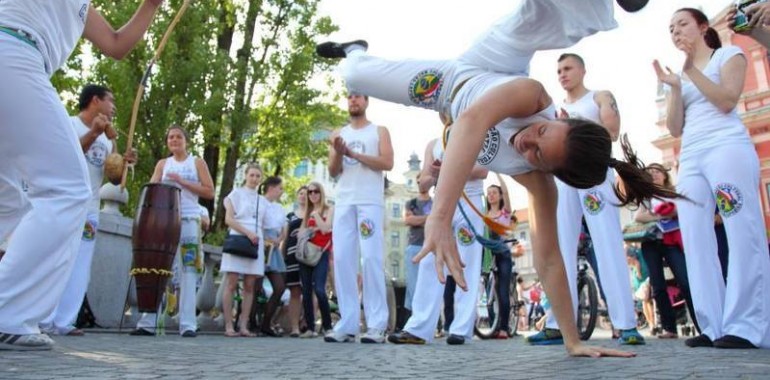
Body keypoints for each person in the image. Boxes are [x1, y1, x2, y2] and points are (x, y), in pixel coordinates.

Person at [317, 0, 677, 357]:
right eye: (540, 131)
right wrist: (439, 218)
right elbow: (472, 122)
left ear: (550, 171)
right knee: (537, 12)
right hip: (489, 63)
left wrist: (573, 340)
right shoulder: (533, 96)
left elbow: (550, 260)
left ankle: (354, 51)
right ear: (560, 118)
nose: (526, 141)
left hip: (443, 91)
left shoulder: (539, 184)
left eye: (537, 155)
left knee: (353, 75)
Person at [0, 0, 165, 350]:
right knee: (68, 188)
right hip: (14, 52)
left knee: (10, 200)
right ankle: (8, 314)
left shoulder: (79, 7)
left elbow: (116, 45)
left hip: (18, 65)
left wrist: (151, 6)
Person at [654, 8, 770, 349]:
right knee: (694, 234)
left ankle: (748, 324)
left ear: (703, 27)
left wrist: (692, 71)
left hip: (726, 147)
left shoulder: (728, 55)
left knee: (740, 227)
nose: (676, 31)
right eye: (671, 27)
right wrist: (676, 85)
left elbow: (726, 100)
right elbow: (675, 128)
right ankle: (712, 324)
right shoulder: (682, 74)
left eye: (682, 24)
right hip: (691, 155)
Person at [529, 53, 644, 346]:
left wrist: (574, 128)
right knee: (559, 247)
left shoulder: (599, 97)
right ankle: (557, 324)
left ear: (582, 69)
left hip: (593, 175)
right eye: (558, 70)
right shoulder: (553, 109)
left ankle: (626, 325)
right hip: (562, 180)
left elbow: (612, 132)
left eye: (567, 68)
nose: (562, 74)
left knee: (607, 244)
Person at [41, 84, 136, 337]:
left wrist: (122, 165)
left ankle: (65, 321)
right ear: (95, 101)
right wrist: (93, 134)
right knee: (55, 258)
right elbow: (66, 158)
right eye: (110, 100)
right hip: (63, 201)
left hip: (90, 206)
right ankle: (41, 318)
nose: (114, 106)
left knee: (80, 264)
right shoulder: (69, 124)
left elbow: (113, 180)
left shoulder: (108, 138)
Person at [388, 138, 488, 346]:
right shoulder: (434, 144)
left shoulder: (477, 130)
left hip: (469, 198)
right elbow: (423, 181)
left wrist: (448, 170)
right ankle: (418, 328)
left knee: (466, 261)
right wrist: (433, 173)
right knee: (429, 261)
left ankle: (461, 328)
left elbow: (482, 170)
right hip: (442, 200)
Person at [131, 125, 215, 337]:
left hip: (188, 218)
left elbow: (209, 191)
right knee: (157, 268)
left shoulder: (196, 162)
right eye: (171, 137)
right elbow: (152, 186)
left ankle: (187, 323)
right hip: (164, 222)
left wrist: (182, 181)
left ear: (186, 140)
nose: (174, 140)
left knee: (188, 268)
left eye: (178, 137)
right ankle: (149, 322)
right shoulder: (163, 164)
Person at [324, 92, 393, 344]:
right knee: (342, 259)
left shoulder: (379, 131)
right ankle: (348, 322)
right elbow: (333, 171)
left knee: (372, 258)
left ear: (366, 101)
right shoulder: (339, 132)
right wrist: (339, 152)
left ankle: (376, 325)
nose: (354, 101)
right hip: (344, 201)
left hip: (369, 202)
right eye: (350, 97)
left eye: (358, 97)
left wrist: (354, 154)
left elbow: (388, 162)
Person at [634, 163, 697, 339]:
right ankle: (669, 328)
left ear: (664, 175)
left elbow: (682, 210)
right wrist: (663, 214)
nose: (653, 175)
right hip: (651, 243)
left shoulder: (673, 192)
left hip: (671, 242)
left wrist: (657, 214)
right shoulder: (646, 195)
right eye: (650, 173)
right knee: (658, 286)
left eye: (657, 172)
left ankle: (701, 322)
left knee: (684, 281)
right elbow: (639, 216)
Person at [220, 164, 267, 338]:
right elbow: (228, 219)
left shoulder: (262, 201)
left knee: (250, 285)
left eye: (258, 176)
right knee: (231, 283)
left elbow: (267, 224)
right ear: (246, 175)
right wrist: (247, 233)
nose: (254, 178)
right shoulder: (235, 194)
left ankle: (244, 325)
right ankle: (228, 325)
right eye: (252, 175)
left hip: (256, 240)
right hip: (239, 237)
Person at [301, 182, 334, 338]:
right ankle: (310, 327)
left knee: (320, 289)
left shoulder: (329, 209)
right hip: (306, 254)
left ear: (321, 193)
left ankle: (327, 326)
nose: (313, 194)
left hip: (322, 253)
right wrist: (311, 228)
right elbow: (302, 232)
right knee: (306, 291)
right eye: (310, 192)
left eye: (316, 192)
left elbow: (326, 228)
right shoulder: (307, 212)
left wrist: (315, 216)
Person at [484, 176, 515, 339]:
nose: (491, 196)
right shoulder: (484, 214)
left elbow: (507, 193)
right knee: (489, 291)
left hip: (503, 253)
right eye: (489, 193)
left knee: (502, 290)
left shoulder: (505, 213)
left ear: (500, 195)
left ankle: (504, 328)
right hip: (489, 255)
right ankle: (492, 326)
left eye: (494, 192)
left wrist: (498, 173)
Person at [258, 176, 287, 337]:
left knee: (279, 287)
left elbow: (283, 229)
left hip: (274, 247)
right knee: (255, 286)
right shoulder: (260, 202)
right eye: (279, 188)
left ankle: (266, 322)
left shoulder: (279, 208)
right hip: (261, 244)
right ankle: (252, 322)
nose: (281, 191)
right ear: (271, 187)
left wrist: (279, 239)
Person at [403, 174, 432, 319]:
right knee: (413, 286)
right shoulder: (411, 203)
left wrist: (418, 220)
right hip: (414, 246)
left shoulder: (434, 203)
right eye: (419, 180)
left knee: (428, 286)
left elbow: (437, 221)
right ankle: (415, 319)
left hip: (430, 247)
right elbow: (408, 220)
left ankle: (429, 320)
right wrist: (428, 219)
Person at [284, 186, 308, 337]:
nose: (303, 196)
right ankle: (294, 327)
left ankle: (307, 323)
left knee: (309, 291)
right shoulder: (290, 216)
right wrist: (282, 256)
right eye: (301, 193)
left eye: (306, 194)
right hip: (292, 256)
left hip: (309, 256)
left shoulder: (315, 214)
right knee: (294, 291)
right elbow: (285, 238)